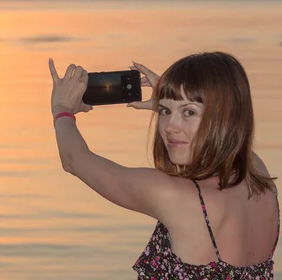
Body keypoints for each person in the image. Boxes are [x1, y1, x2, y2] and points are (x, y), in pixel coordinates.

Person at [48, 51, 279, 279]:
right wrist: (177, 100)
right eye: (165, 111)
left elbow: (74, 159)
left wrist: (62, 110)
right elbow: (231, 136)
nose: (169, 126)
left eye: (189, 112)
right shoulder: (257, 174)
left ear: (224, 116)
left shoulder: (174, 196)